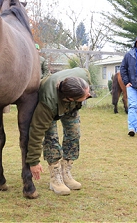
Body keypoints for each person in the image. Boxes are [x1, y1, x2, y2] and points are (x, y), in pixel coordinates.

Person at [26, 68, 92, 196]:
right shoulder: (47, 103)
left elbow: (83, 90)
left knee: (74, 134)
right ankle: (55, 178)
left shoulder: (83, 77)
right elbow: (36, 132)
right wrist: (33, 162)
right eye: (85, 96)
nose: (89, 95)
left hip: (72, 106)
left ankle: (66, 173)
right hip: (53, 105)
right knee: (52, 139)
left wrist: (81, 96)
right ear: (70, 98)